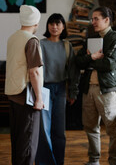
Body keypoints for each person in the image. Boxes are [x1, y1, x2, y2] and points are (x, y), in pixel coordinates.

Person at [75, 6, 116, 165]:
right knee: (90, 127)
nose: (93, 22)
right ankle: (94, 160)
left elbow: (110, 64)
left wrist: (91, 60)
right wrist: (94, 58)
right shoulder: (91, 38)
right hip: (88, 89)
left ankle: (113, 161)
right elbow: (78, 61)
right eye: (92, 19)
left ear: (107, 20)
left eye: (96, 18)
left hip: (107, 91)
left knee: (112, 129)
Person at [35, 13, 80, 165]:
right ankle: (44, 162)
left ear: (63, 27)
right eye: (51, 24)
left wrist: (73, 92)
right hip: (43, 89)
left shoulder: (67, 46)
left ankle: (58, 162)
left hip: (61, 89)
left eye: (58, 24)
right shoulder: (40, 44)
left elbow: (73, 71)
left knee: (59, 130)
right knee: (43, 129)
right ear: (47, 26)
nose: (54, 27)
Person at [5, 5, 44, 165]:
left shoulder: (13, 37)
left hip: (13, 95)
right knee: (27, 145)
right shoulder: (31, 40)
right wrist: (39, 98)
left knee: (17, 141)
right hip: (26, 98)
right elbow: (34, 72)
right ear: (36, 22)